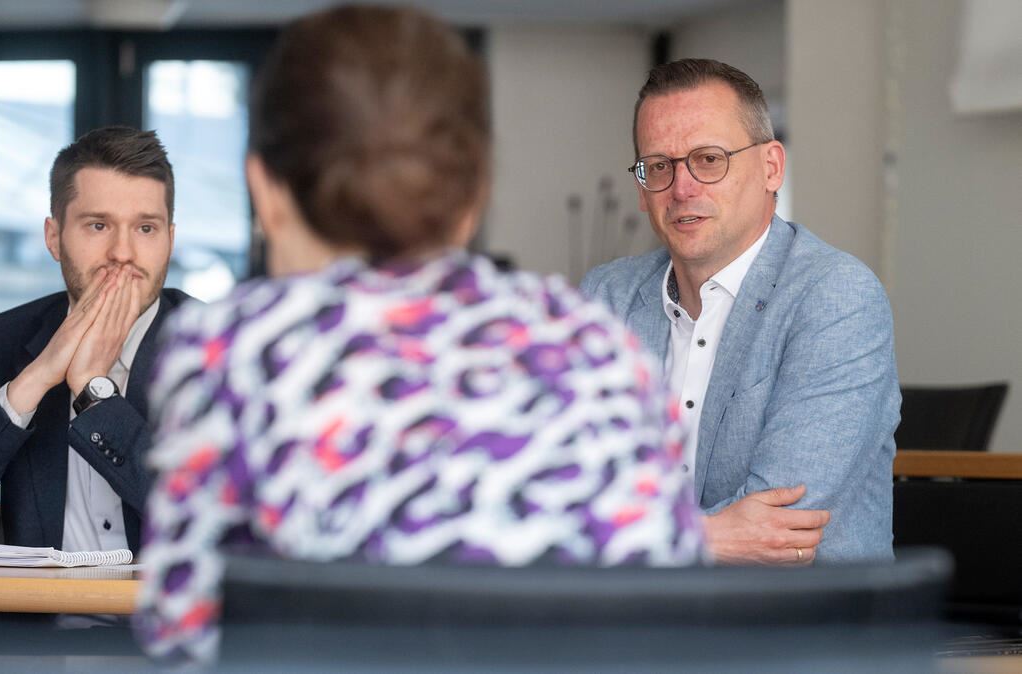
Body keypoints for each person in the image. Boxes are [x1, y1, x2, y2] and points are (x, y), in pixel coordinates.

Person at [136, 5, 705, 663]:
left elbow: (184, 640)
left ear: (263, 188)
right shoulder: (603, 351)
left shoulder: (224, 355)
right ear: (475, 193)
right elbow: (675, 631)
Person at [582, 58, 899, 564]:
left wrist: (617, 539)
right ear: (642, 189)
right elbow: (558, 491)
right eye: (660, 166)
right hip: (633, 629)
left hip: (801, 633)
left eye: (709, 159)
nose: (682, 188)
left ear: (771, 167)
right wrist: (709, 539)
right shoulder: (607, 298)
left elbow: (780, 527)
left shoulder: (836, 297)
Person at [0, 126, 190, 554]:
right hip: (34, 621)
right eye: (98, 225)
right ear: (53, 238)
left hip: (167, 621)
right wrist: (30, 385)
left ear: (170, 241)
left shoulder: (215, 349)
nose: (123, 252)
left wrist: (93, 392)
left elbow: (209, 522)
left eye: (145, 229)